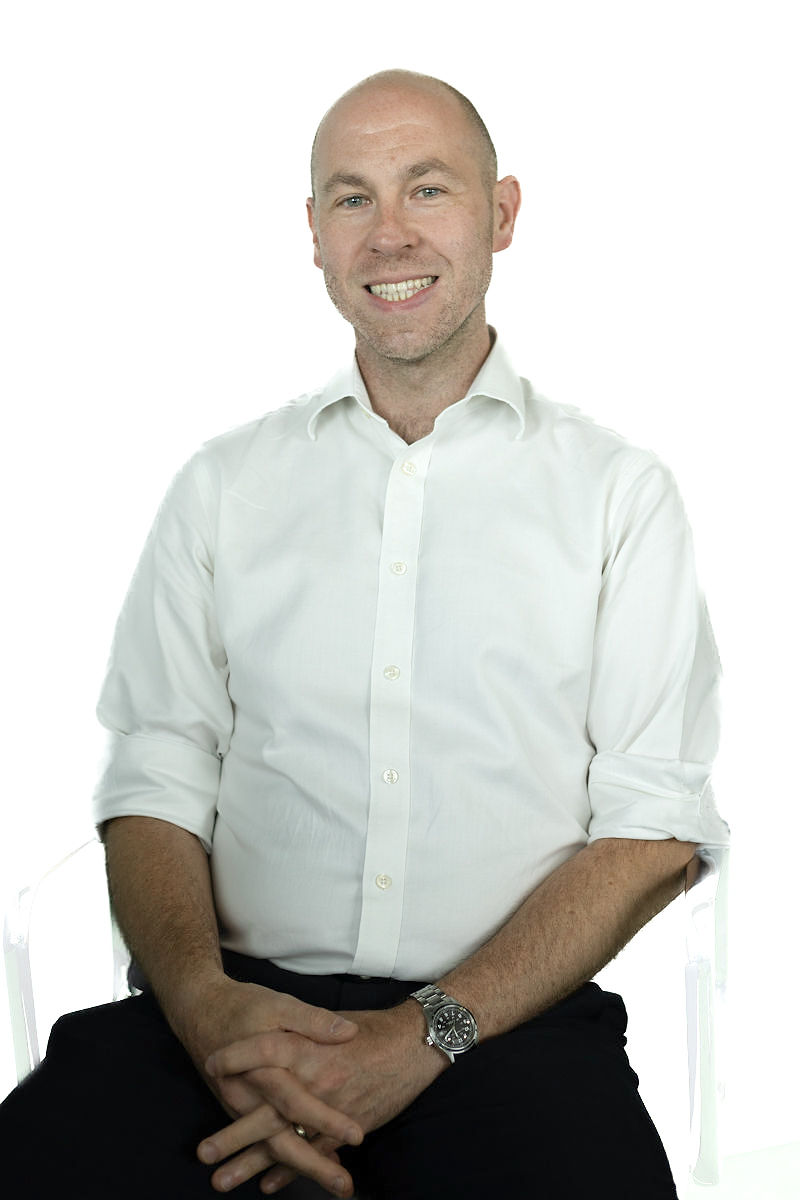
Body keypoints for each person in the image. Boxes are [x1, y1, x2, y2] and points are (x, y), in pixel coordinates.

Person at [0, 69, 729, 1199]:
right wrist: (204, 1012)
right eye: (352, 198)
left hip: (503, 1028)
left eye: (427, 189)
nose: (388, 234)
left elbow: (653, 831)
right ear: (313, 233)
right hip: (228, 1018)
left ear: (501, 215)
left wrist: (422, 1036)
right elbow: (155, 779)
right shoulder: (222, 488)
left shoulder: (616, 497)